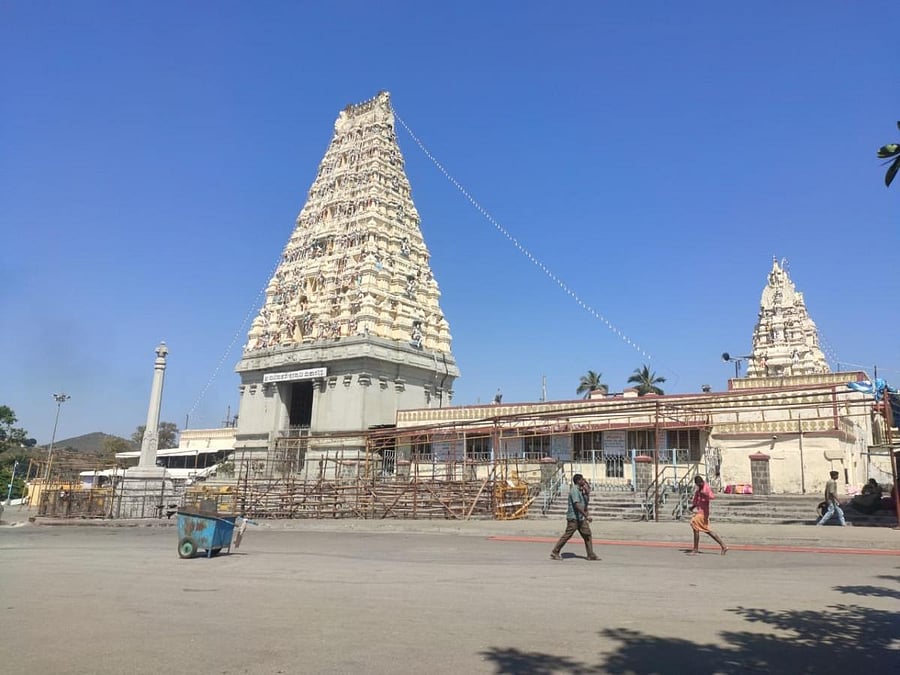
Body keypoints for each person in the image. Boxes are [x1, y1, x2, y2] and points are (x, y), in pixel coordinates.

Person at [550, 474, 598, 561]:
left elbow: (585, 504)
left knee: (587, 534)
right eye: (582, 480)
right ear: (578, 481)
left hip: (580, 518)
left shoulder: (581, 491)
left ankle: (590, 554)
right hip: (573, 518)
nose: (584, 481)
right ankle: (555, 552)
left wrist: (587, 493)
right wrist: (586, 516)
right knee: (567, 535)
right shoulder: (574, 490)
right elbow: (577, 505)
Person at [689, 475, 727, 555]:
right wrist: (692, 507)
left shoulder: (706, 487)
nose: (699, 485)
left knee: (694, 522)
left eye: (700, 484)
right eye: (698, 484)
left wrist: (705, 495)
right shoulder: (698, 489)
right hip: (700, 511)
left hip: (704, 512)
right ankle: (723, 546)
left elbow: (712, 496)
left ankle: (695, 549)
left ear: (701, 482)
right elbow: (697, 500)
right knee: (705, 530)